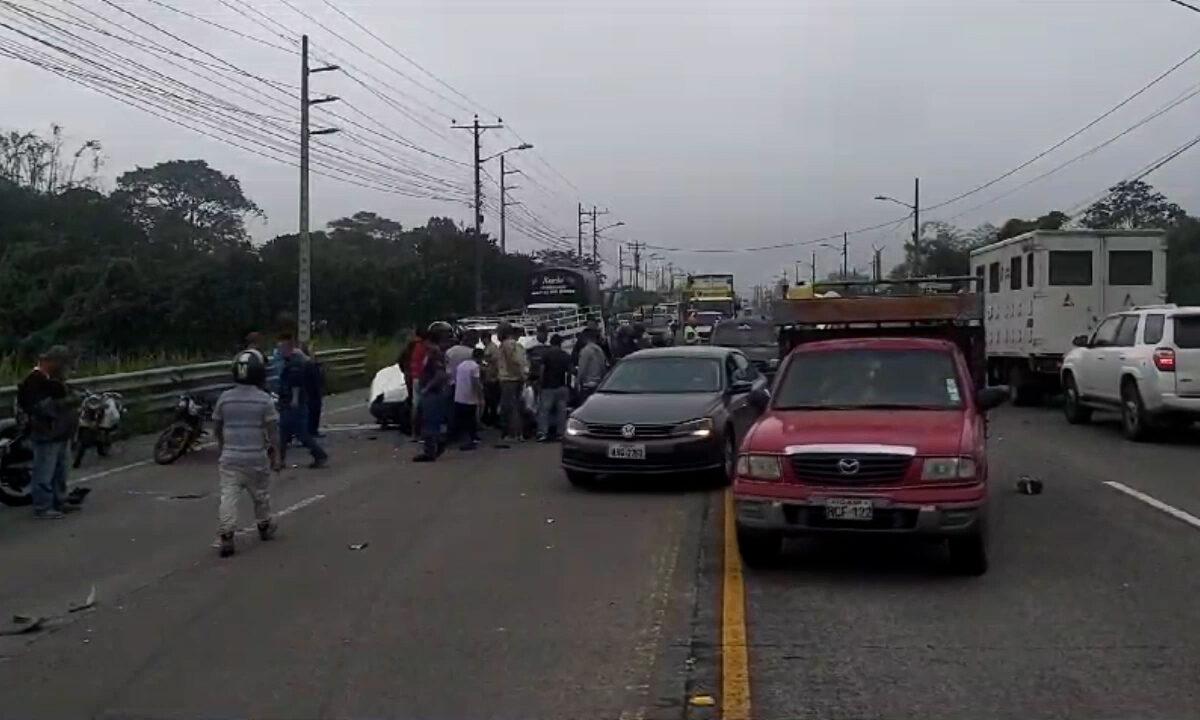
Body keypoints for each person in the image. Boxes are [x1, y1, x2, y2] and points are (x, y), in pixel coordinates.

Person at [213, 349, 281, 558]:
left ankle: (226, 534)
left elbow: (217, 426)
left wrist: (223, 445)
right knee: (260, 495)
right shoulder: (264, 400)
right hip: (255, 458)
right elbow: (272, 431)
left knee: (228, 497)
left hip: (230, 458)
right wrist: (276, 455)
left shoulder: (225, 398)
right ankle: (264, 524)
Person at [17, 346, 78, 519]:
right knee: (44, 472)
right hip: (46, 432)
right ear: (50, 362)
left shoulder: (53, 379)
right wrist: (65, 402)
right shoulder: (33, 381)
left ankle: (59, 500)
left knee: (60, 471)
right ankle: (43, 506)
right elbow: (39, 407)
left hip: (60, 432)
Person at [276, 333, 328, 468]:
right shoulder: (292, 362)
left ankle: (319, 454)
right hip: (289, 402)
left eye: (281, 348)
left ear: (288, 348)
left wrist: (293, 400)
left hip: (293, 404)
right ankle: (280, 460)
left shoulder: (294, 363)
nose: (279, 352)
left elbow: (296, 384)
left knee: (297, 434)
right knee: (284, 433)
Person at [413, 324, 451, 462]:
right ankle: (434, 446)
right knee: (428, 420)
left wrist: (427, 387)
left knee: (430, 422)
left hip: (433, 392)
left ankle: (431, 450)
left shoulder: (434, 353)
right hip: (433, 390)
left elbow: (441, 374)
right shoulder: (433, 353)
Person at [496, 325, 529, 445]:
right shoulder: (517, 344)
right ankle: (519, 433)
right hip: (517, 378)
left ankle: (513, 433)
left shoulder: (506, 345)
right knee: (516, 406)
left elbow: (513, 361)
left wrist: (517, 373)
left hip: (509, 379)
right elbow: (523, 362)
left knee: (510, 408)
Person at [536, 334, 572, 442]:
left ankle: (543, 433)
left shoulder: (546, 355)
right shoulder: (565, 355)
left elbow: (542, 370)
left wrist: (540, 383)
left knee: (544, 411)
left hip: (548, 387)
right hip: (561, 386)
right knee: (561, 411)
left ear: (551, 342)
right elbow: (570, 372)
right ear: (560, 343)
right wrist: (568, 385)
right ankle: (560, 433)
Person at [444, 330, 476, 442]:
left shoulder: (450, 351)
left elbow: (446, 367)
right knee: (468, 410)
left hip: (451, 382)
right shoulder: (471, 352)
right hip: (466, 384)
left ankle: (452, 432)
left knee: (452, 409)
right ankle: (467, 434)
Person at [453, 347, 485, 450]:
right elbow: (475, 382)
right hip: (469, 396)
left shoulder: (461, 365)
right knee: (471, 419)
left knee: (461, 418)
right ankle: (472, 438)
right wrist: (480, 396)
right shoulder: (475, 367)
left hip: (459, 395)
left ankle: (460, 437)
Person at [576, 329, 609, 403]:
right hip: (599, 384)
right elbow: (603, 366)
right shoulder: (599, 350)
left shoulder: (585, 350)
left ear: (585, 337)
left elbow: (582, 369)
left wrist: (577, 382)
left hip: (588, 385)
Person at [300, 341, 325, 438]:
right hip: (310, 388)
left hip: (311, 388)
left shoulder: (310, 363)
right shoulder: (307, 363)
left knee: (314, 407)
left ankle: (311, 430)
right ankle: (311, 430)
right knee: (312, 407)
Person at [481, 330, 502, 427]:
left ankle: (493, 419)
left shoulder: (492, 348)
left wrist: (495, 376)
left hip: (492, 378)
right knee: (489, 400)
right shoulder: (488, 348)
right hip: (489, 377)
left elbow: (496, 363)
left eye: (482, 339)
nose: (482, 341)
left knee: (492, 400)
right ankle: (490, 418)